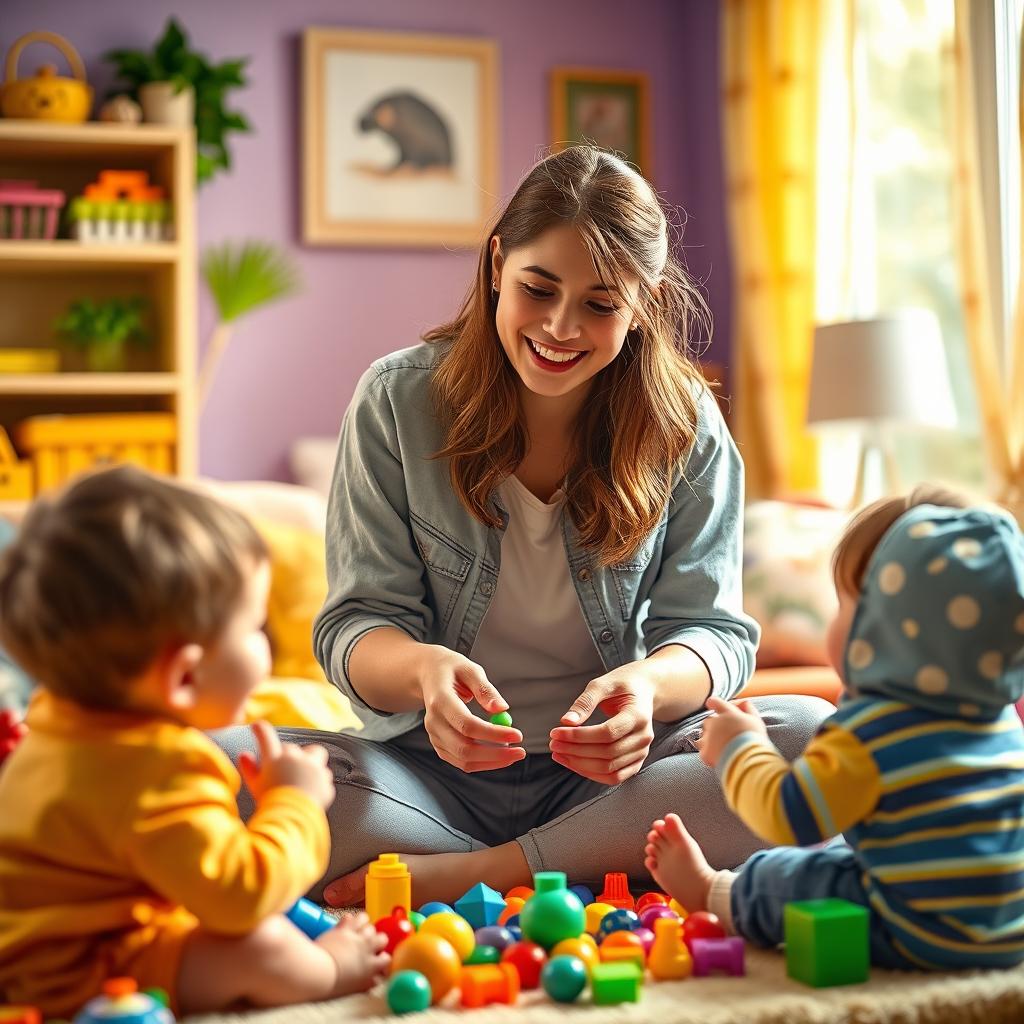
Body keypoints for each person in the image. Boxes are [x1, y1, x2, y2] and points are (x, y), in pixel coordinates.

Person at [221, 144, 832, 909]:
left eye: (602, 305)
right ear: (496, 263)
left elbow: (714, 633)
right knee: (215, 773)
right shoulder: (396, 400)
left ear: (643, 303)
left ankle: (479, 874)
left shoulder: (685, 425)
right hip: (427, 782)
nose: (560, 327)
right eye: (538, 289)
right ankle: (571, 863)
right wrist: (425, 675)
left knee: (809, 735)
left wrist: (646, 687)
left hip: (614, 784)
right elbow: (356, 623)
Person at [0, 467, 389, 1018]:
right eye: (255, 628)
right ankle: (333, 969)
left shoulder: (54, 723)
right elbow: (241, 896)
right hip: (81, 972)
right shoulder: (161, 768)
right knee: (262, 943)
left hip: (24, 952)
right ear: (184, 678)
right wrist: (294, 804)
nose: (267, 648)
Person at [645, 484, 1024, 970]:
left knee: (801, 873)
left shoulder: (869, 734)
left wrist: (741, 748)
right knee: (854, 847)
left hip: (919, 933)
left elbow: (790, 818)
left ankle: (716, 893)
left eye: (844, 607)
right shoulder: (1003, 723)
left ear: (879, 633)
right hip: (1009, 929)